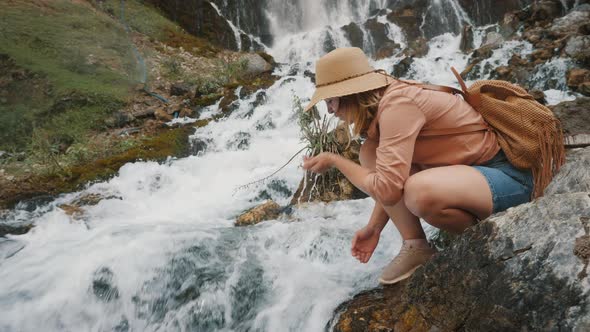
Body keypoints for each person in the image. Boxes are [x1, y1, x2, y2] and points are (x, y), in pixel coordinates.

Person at [301, 47, 533, 285]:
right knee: (370, 153)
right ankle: (415, 245)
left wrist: (335, 160)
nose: (329, 110)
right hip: (471, 179)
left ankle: (481, 245)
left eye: (331, 101)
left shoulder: (398, 105)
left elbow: (388, 189)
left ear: (351, 94)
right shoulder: (387, 104)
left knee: (419, 193)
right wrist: (374, 228)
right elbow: (391, 178)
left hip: (507, 177)